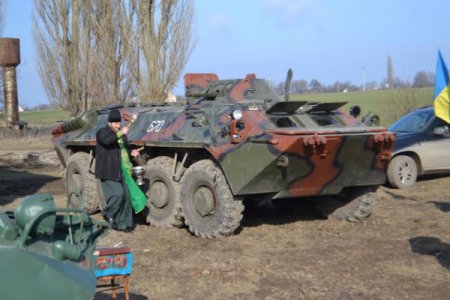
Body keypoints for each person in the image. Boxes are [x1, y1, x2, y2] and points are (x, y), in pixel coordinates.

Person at [95, 109, 147, 232]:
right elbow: (107, 142)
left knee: (126, 196)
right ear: (109, 123)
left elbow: (124, 149)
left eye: (119, 123)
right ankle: (108, 213)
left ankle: (123, 224)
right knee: (118, 194)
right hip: (108, 170)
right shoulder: (102, 133)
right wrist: (120, 133)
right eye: (115, 123)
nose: (118, 126)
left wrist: (131, 152)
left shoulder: (121, 135)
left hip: (122, 170)